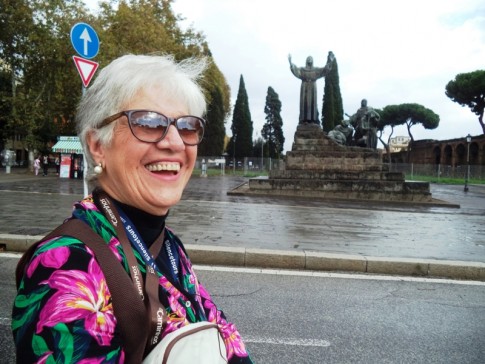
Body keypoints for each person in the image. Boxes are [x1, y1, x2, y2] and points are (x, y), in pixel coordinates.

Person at [12, 54, 253, 363]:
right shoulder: (66, 265)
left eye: (188, 126)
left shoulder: (169, 245)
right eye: (149, 122)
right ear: (98, 145)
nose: (175, 143)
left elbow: (223, 335)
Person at [288, 52, 334, 124]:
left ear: (312, 61)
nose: (309, 59)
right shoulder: (302, 69)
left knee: (313, 103)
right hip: (304, 87)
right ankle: (304, 120)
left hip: (313, 87)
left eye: (311, 58)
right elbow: (296, 70)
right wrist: (290, 63)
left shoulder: (316, 69)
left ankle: (313, 120)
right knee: (304, 103)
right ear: (306, 60)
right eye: (308, 58)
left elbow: (324, 70)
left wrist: (330, 61)